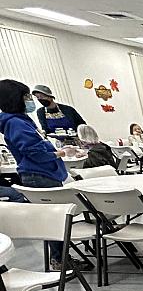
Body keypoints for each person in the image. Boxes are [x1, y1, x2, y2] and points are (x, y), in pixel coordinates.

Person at [0, 79, 84, 269]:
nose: (31, 100)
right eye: (27, 96)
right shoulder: (15, 123)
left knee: (54, 217)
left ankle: (60, 258)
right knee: (54, 218)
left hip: (45, 173)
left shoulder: (21, 121)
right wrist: (61, 153)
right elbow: (35, 152)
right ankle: (60, 260)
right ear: (16, 99)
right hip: (39, 175)